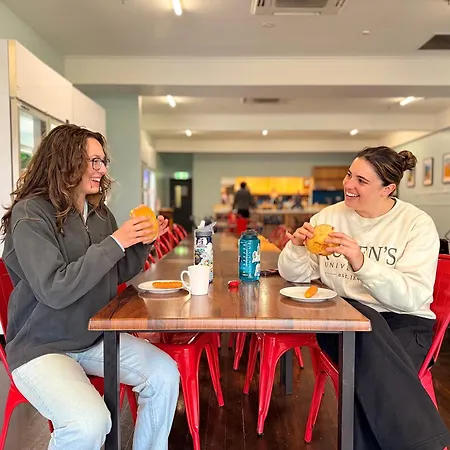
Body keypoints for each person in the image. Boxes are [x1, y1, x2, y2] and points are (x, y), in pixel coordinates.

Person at [0, 124, 180, 450]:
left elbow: (117, 271)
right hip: (42, 347)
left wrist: (142, 242)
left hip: (94, 338)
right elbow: (55, 289)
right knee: (88, 423)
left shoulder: (98, 212)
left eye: (103, 161)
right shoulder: (30, 215)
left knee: (164, 374)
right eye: (94, 161)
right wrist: (115, 241)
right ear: (66, 161)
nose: (102, 169)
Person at [278, 146, 450, 450]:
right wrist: (296, 247)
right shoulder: (329, 216)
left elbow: (412, 297)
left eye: (361, 180)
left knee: (365, 376)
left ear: (388, 189)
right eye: (349, 175)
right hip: (342, 320)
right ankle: (425, 443)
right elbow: (295, 275)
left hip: (404, 321)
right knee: (366, 346)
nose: (348, 184)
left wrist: (361, 262)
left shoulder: (416, 224)